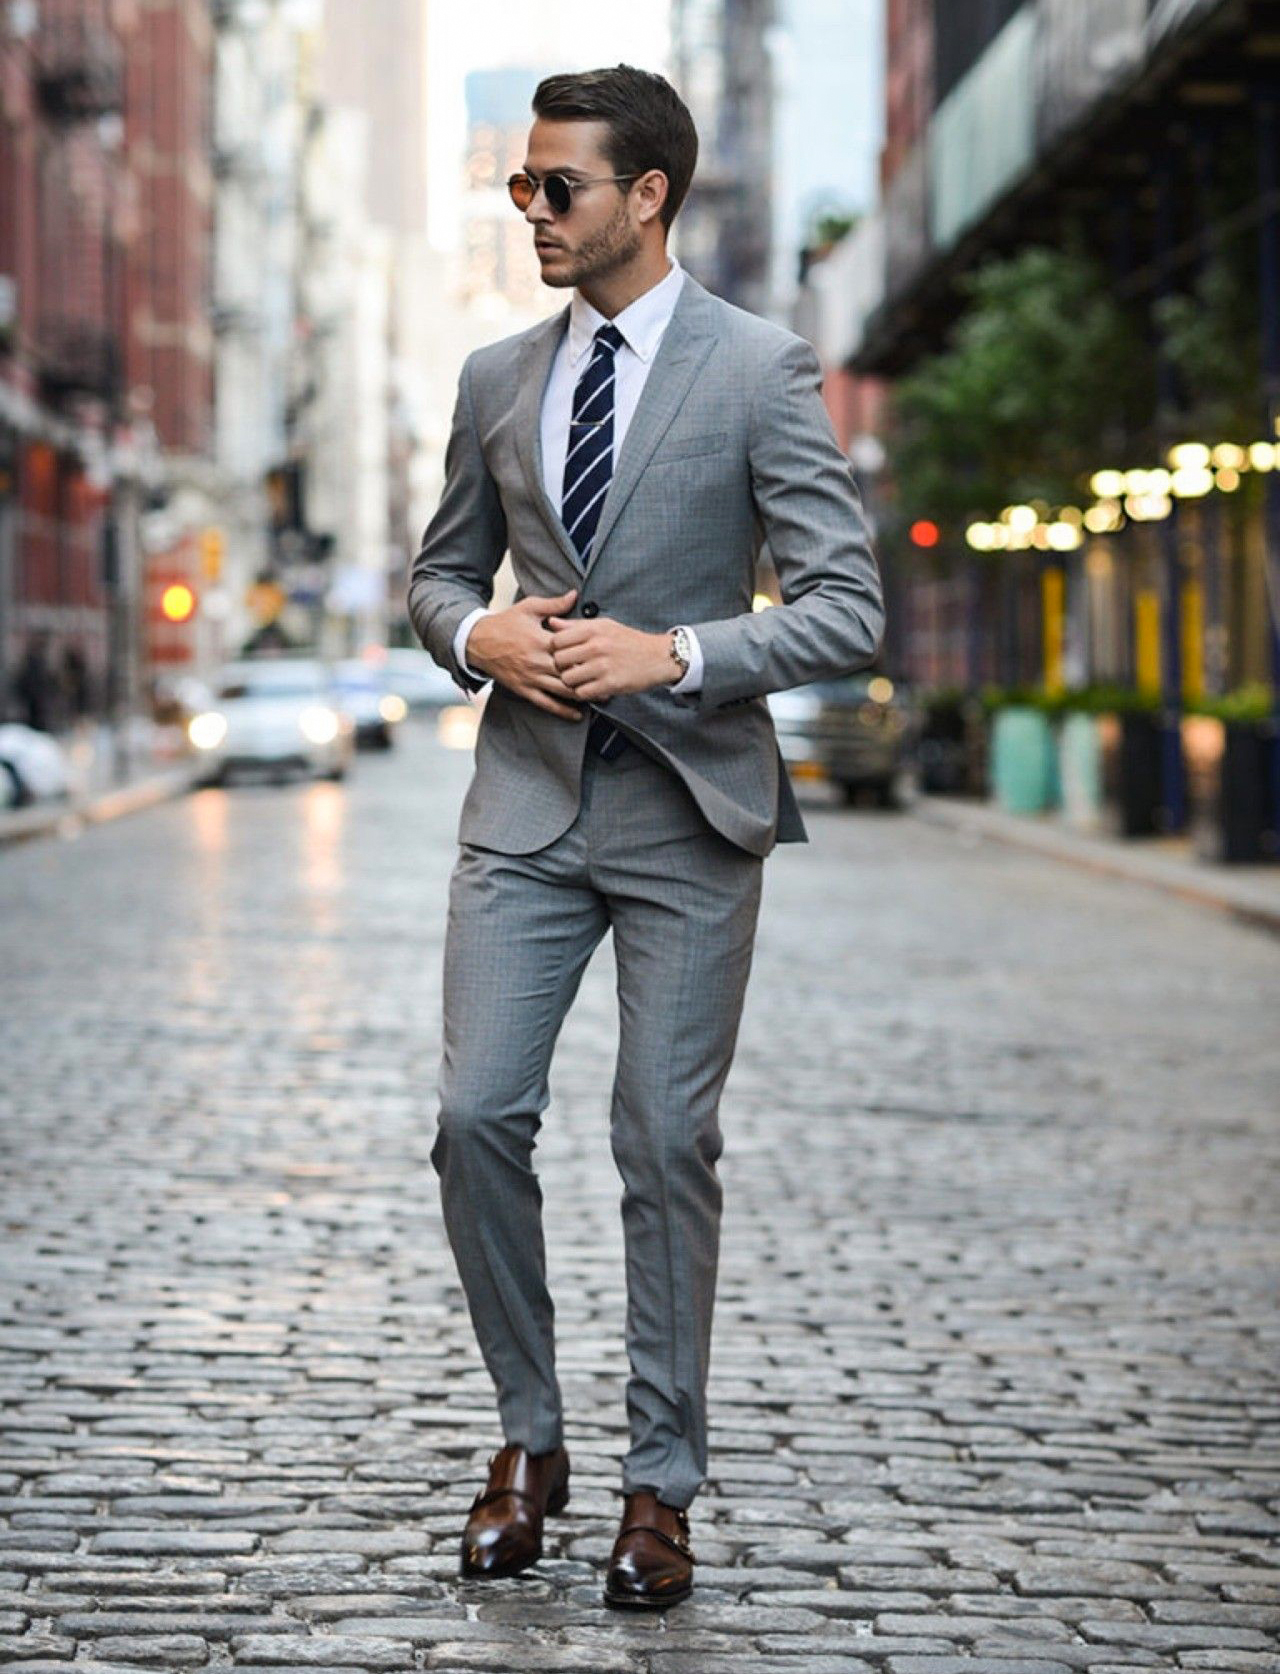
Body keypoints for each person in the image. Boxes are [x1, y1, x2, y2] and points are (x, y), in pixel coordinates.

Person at [407, 63, 884, 1611]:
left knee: (661, 1142)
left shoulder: (759, 369)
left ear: (649, 196)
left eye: (560, 187)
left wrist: (673, 652)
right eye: (521, 187)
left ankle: (656, 1482)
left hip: (691, 812)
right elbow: (435, 577)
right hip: (527, 807)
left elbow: (844, 606)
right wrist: (482, 638)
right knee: (477, 1115)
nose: (532, 210)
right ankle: (528, 1442)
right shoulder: (494, 377)